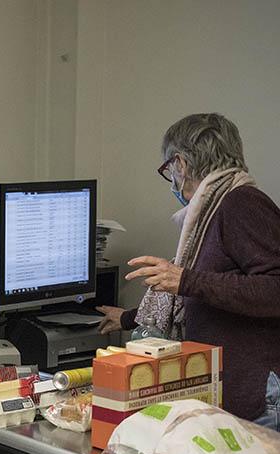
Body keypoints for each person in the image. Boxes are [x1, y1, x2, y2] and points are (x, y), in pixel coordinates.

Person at [98, 113, 280, 430]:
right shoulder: (217, 206)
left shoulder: (241, 204)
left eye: (168, 170)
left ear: (180, 164)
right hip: (234, 390)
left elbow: (274, 289)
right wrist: (128, 318)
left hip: (258, 395)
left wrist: (185, 279)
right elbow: (206, 295)